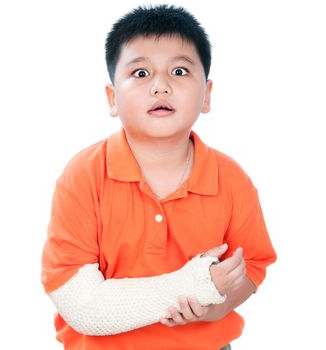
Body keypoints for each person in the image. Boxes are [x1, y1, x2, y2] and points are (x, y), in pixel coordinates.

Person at [41, 4, 277, 350]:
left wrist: (216, 307)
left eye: (180, 71)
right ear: (112, 98)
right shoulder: (83, 176)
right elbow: (79, 301)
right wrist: (190, 284)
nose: (161, 86)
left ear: (207, 94)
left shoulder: (231, 179)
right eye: (140, 74)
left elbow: (251, 267)